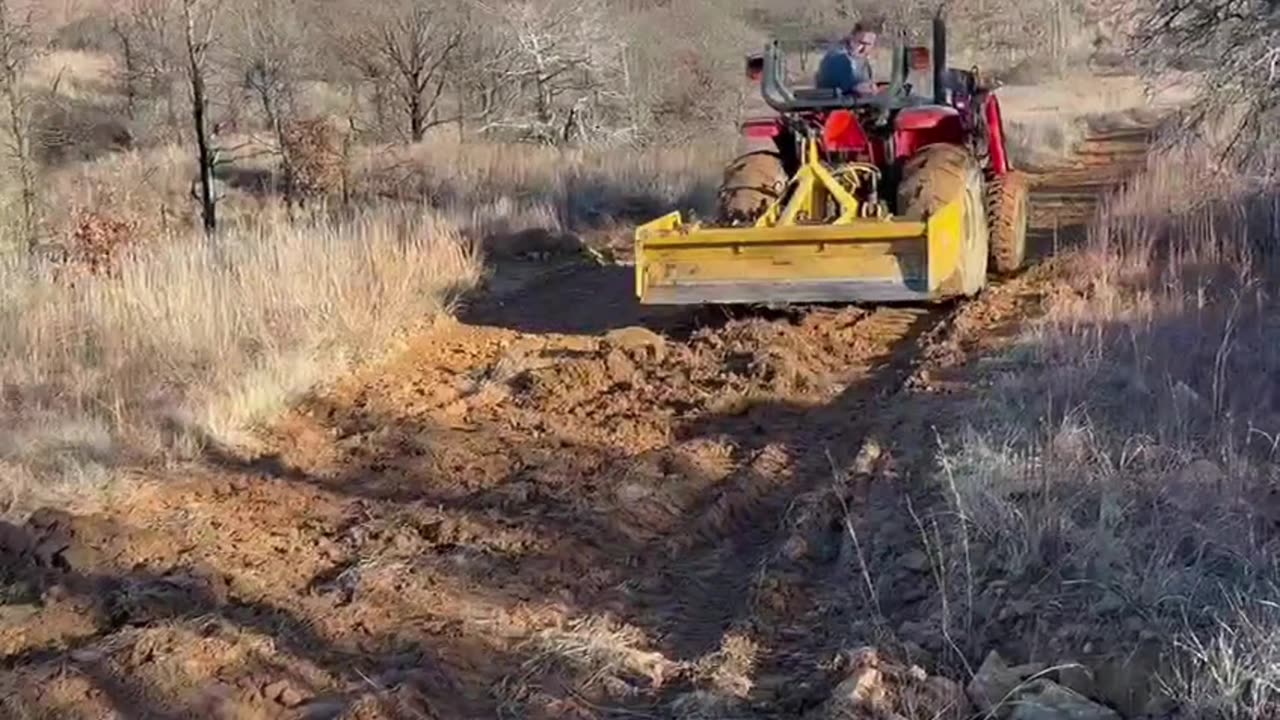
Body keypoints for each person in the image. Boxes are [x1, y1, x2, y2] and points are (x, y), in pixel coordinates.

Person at [815, 21, 879, 96]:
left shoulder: (861, 61)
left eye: (869, 44)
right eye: (861, 42)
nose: (863, 48)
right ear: (851, 39)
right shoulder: (837, 56)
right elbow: (835, 83)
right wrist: (856, 87)